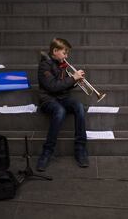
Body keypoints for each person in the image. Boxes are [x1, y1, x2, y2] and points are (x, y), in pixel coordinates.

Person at [36, 38, 89, 172]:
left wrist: (77, 81)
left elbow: (64, 87)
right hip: (48, 99)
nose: (66, 56)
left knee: (79, 107)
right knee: (60, 111)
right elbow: (53, 87)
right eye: (64, 53)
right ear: (55, 51)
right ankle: (47, 152)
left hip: (62, 98)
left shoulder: (62, 64)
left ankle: (80, 149)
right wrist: (73, 79)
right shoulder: (44, 65)